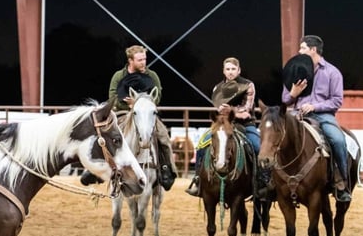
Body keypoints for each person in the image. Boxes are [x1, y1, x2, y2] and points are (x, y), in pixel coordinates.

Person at [282, 35, 351, 202]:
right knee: (274, 134)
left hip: (323, 116)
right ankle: (269, 181)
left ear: (313, 50)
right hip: (296, 114)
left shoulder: (332, 72)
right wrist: (293, 94)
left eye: (302, 48)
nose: (299, 51)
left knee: (338, 140)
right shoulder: (295, 70)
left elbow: (336, 100)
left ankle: (342, 182)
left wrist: (315, 106)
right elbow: (285, 99)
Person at [186, 57, 259, 197]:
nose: (230, 72)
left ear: (239, 70)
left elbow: (247, 108)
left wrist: (231, 110)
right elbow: (218, 108)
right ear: (223, 71)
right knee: (202, 145)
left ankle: (261, 182)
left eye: (233, 69)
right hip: (223, 124)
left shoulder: (248, 85)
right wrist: (229, 111)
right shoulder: (217, 88)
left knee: (257, 147)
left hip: (245, 124)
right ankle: (198, 180)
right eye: (228, 69)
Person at [108, 44, 177, 190]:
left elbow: (157, 97)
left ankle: (166, 168)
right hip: (123, 113)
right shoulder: (119, 76)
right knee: (106, 133)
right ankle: (97, 168)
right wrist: (129, 106)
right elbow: (113, 96)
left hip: (146, 113)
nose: (143, 63)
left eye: (144, 59)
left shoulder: (152, 76)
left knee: (163, 136)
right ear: (130, 60)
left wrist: (139, 104)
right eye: (139, 60)